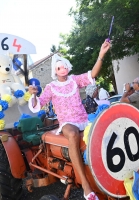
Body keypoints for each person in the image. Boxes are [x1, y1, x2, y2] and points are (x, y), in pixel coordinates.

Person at [28, 40, 111, 200]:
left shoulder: (75, 80)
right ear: (55, 71)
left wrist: (101, 55)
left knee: (102, 132)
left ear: (67, 67)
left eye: (64, 66)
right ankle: (86, 186)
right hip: (67, 123)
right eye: (59, 68)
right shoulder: (51, 87)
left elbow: (92, 74)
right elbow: (38, 105)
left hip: (83, 120)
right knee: (72, 134)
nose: (62, 69)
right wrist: (32, 94)